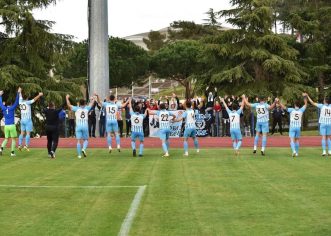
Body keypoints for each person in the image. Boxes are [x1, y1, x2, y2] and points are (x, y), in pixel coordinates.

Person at [0, 88, 21, 157]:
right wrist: (18, 93)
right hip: (12, 126)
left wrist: (0, 95)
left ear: (6, 104)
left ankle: (1, 149)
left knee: (6, 139)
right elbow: (17, 101)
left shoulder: (3, 108)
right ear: (11, 104)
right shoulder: (12, 108)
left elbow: (0, 103)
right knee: (13, 139)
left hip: (6, 126)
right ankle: (12, 153)